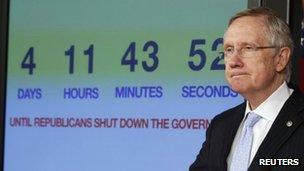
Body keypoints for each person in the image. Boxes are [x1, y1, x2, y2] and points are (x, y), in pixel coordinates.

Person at [189, 7, 304, 171]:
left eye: (248, 48)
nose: (234, 61)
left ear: (280, 58)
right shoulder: (220, 126)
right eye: (229, 50)